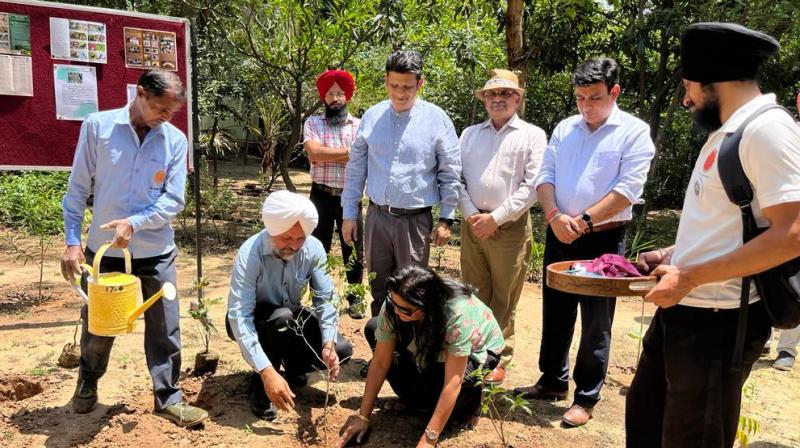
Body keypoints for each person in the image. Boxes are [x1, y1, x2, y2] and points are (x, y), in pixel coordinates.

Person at [626, 23, 800, 447]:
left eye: (688, 86)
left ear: (712, 80)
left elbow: (792, 233)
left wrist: (691, 276)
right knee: (646, 421)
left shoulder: (767, 131)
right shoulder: (728, 130)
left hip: (720, 322)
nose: (686, 98)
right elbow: (730, 225)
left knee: (693, 438)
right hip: (684, 309)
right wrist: (673, 254)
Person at [60, 69, 208, 427]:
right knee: (99, 324)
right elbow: (78, 187)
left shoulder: (173, 140)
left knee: (165, 327)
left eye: (171, 113)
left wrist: (135, 223)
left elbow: (174, 200)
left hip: (157, 251)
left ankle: (168, 396)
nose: (165, 117)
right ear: (140, 93)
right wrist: (72, 241)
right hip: (105, 253)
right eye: (160, 108)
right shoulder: (98, 128)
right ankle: (88, 382)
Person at [514, 57, 655, 427]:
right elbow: (544, 177)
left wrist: (585, 220)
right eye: (580, 98)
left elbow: (628, 190)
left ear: (615, 92)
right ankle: (552, 380)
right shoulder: (565, 128)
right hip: (559, 230)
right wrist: (554, 217)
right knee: (555, 310)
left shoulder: (634, 132)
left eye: (594, 97)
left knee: (596, 321)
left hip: (603, 238)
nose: (586, 106)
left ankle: (586, 395)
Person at [341, 50, 462, 317]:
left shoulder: (437, 119)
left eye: (407, 86)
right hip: (376, 217)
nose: (399, 93)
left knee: (413, 291)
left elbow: (450, 171)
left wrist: (447, 218)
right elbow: (356, 168)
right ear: (385, 80)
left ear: (421, 83)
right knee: (378, 288)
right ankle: (381, 350)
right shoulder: (372, 117)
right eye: (394, 85)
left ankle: (409, 356)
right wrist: (349, 213)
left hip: (414, 222)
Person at [337, 265, 504, 448]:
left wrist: (429, 439)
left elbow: (452, 381)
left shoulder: (456, 314)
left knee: (439, 391)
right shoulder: (396, 302)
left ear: (427, 306)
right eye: (395, 306)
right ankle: (418, 398)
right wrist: (363, 416)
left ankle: (470, 402)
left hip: (475, 352)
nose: (397, 312)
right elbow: (380, 362)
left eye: (405, 310)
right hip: (428, 341)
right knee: (374, 328)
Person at [226, 190, 353, 421]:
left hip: (289, 317)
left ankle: (293, 369)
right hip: (255, 319)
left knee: (342, 350)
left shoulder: (313, 248)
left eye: (300, 238)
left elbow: (325, 298)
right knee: (282, 318)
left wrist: (328, 343)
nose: (294, 246)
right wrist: (266, 373)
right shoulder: (250, 253)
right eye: (286, 238)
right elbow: (239, 315)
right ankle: (262, 384)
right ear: (273, 229)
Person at [458, 68, 547, 384]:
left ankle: (498, 358)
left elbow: (533, 186)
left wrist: (495, 219)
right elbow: (457, 179)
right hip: (472, 226)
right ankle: (473, 352)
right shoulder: (469, 134)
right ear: (484, 100)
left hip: (507, 228)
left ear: (518, 98)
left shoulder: (532, 135)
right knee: (474, 294)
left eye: (505, 93)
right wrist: (472, 216)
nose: (498, 99)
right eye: (492, 94)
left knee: (503, 299)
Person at [304, 69, 365, 319]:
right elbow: (314, 153)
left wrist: (329, 153)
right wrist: (348, 153)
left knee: (354, 248)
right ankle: (319, 298)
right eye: (330, 93)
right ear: (324, 97)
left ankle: (356, 299)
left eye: (340, 93)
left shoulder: (360, 125)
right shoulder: (313, 123)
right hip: (320, 196)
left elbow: (361, 158)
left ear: (347, 96)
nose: (335, 98)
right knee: (317, 249)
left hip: (349, 197)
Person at [771, 92, 800, 372]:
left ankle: (786, 349)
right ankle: (765, 337)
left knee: (797, 284)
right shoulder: (788, 132)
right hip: (778, 218)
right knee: (768, 276)